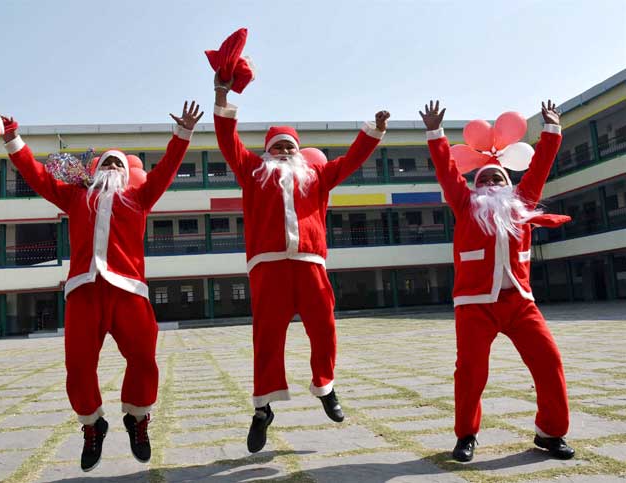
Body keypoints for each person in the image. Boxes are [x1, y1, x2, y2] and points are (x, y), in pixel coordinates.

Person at [0, 101, 203, 471]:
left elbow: (168, 170)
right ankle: (93, 425)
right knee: (78, 367)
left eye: (118, 164)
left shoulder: (140, 198)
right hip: (83, 291)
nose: (111, 167)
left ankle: (137, 419)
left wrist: (183, 134)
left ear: (127, 174)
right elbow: (37, 176)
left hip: (129, 292)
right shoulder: (76, 196)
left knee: (143, 359)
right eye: (106, 163)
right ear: (94, 172)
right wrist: (15, 141)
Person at [213, 73, 389, 453]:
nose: (284, 152)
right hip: (269, 266)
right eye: (277, 147)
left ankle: (325, 386)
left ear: (299, 150)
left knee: (324, 326)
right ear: (266, 151)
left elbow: (352, 160)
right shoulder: (252, 171)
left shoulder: (318, 175)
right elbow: (228, 141)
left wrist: (372, 132)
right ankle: (263, 409)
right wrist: (222, 98)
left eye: (289, 146)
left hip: (310, 263)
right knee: (267, 338)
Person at [420, 100, 575, 462]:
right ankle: (466, 435)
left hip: (520, 302)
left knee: (548, 360)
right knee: (471, 371)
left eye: (498, 178)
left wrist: (552, 131)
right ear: (475, 187)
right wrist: (434, 133)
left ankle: (551, 432)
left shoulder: (522, 202)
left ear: (509, 184)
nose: (491, 182)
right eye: (484, 179)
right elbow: (446, 171)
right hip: (475, 304)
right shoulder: (464, 204)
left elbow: (538, 169)